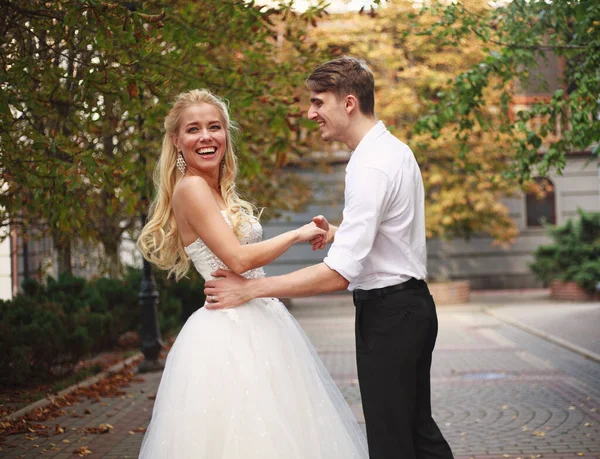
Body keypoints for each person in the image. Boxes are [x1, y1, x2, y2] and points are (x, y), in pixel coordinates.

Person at [205, 57, 455, 459]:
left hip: (391, 316)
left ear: (349, 103)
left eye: (319, 102)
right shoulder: (394, 149)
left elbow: (338, 275)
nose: (311, 113)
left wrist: (251, 289)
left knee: (394, 442)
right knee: (416, 433)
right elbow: (393, 232)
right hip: (410, 308)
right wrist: (343, 233)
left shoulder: (369, 166)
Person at [136, 89, 368, 458]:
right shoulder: (192, 188)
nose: (206, 137)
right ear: (177, 141)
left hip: (262, 317)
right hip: (228, 330)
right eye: (193, 130)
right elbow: (238, 260)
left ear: (227, 135)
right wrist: (298, 233)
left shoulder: (216, 191)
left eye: (215, 127)